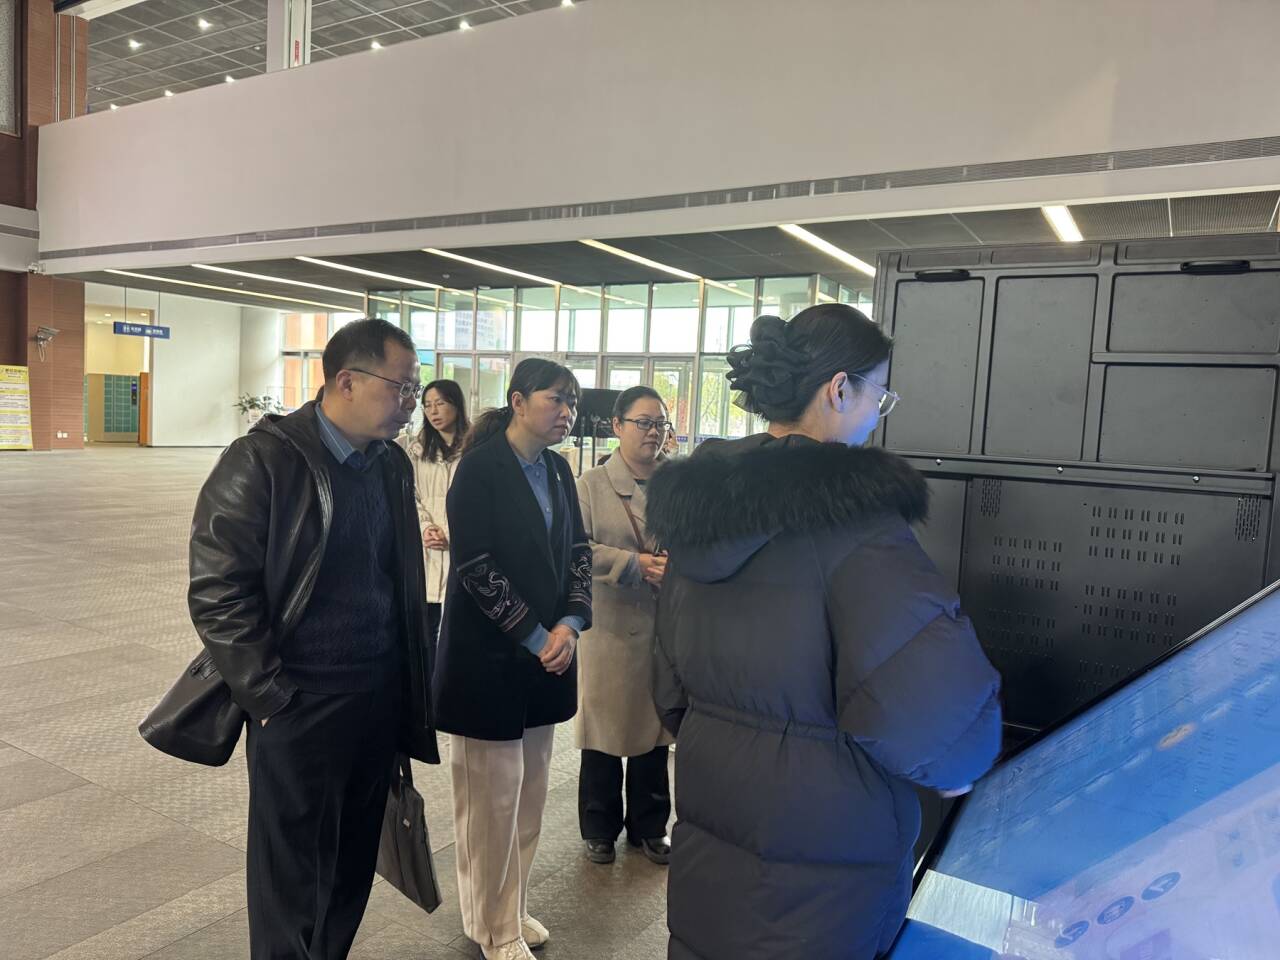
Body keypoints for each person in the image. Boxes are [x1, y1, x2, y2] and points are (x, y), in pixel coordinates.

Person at [646, 304, 1003, 960]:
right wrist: (961, 764)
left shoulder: (697, 518)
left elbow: (669, 687)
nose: (876, 416)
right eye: (879, 395)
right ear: (839, 389)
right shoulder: (855, 526)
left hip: (713, 824)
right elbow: (931, 709)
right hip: (827, 862)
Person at [188, 317, 438, 960]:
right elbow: (218, 592)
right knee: (291, 872)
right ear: (346, 381)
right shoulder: (263, 459)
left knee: (353, 863)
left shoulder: (389, 465)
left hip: (375, 698)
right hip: (298, 703)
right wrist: (269, 697)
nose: (411, 404)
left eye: (415, 390)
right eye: (401, 388)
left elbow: (398, 581)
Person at [432, 358, 593, 960]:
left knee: (527, 800)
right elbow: (475, 566)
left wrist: (570, 624)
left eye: (573, 402)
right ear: (519, 401)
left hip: (549, 656)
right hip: (490, 660)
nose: (567, 412)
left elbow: (578, 551)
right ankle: (491, 927)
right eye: (557, 399)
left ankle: (513, 907)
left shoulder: (558, 468)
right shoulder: (479, 469)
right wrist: (536, 636)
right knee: (490, 804)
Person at [575, 386, 674, 866]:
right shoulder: (592, 484)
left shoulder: (677, 483)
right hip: (610, 628)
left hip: (661, 628)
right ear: (617, 426)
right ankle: (599, 827)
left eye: (661, 424)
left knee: (655, 734)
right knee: (604, 732)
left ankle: (650, 826)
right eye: (643, 422)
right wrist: (633, 563)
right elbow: (576, 549)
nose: (653, 432)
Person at [397, 378, 469, 649]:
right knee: (425, 632)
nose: (433, 411)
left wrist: (449, 533)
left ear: (457, 405)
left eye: (440, 403)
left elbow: (475, 501)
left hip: (460, 549)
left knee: (456, 633)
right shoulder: (415, 450)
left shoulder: (475, 450)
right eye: (427, 405)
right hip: (426, 549)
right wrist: (426, 528)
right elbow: (410, 495)